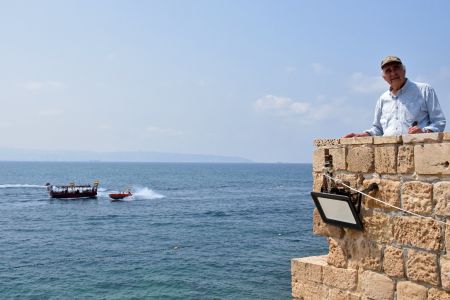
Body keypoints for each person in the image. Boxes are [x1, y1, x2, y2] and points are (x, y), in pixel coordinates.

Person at [343, 56, 446, 137]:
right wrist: (362, 135)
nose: (393, 73)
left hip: (419, 150)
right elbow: (378, 130)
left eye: (396, 68)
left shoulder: (424, 90)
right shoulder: (382, 99)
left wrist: (424, 131)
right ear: (384, 77)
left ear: (404, 70)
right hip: (387, 155)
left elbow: (439, 122)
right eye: (388, 71)